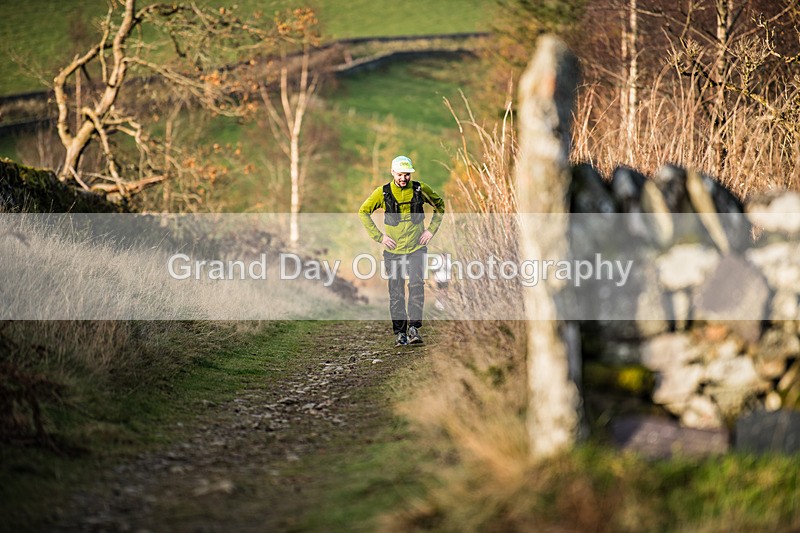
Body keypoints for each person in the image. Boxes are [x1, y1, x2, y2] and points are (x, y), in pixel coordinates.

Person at [359, 155, 446, 346]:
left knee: (416, 286)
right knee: (396, 290)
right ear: (392, 173)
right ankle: (401, 333)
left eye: (406, 175)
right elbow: (363, 212)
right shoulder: (382, 193)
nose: (403, 178)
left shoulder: (420, 189)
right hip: (394, 251)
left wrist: (431, 230)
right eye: (400, 174)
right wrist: (380, 237)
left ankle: (414, 329)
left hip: (417, 249)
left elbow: (440, 205)